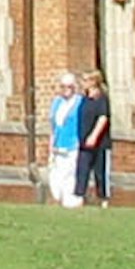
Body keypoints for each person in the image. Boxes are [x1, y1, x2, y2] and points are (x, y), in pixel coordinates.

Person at [44, 72, 84, 206]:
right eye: (63, 86)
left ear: (74, 87)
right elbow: (53, 126)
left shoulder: (79, 102)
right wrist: (51, 144)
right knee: (55, 174)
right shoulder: (57, 102)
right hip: (57, 144)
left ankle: (68, 199)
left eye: (69, 86)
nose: (66, 89)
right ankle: (58, 198)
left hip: (72, 144)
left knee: (69, 173)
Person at [77, 74, 116, 204]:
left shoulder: (102, 99)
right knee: (82, 170)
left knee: (100, 172)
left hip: (100, 144)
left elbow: (103, 118)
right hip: (84, 143)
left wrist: (94, 136)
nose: (82, 83)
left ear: (93, 82)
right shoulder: (84, 99)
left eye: (85, 80)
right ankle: (80, 196)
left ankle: (103, 198)